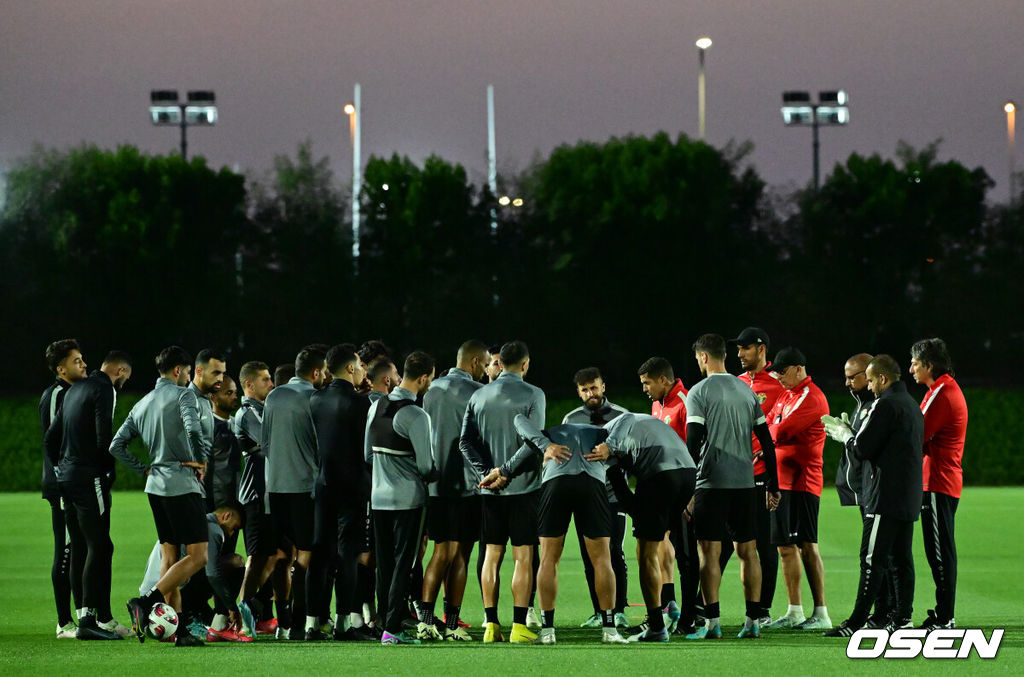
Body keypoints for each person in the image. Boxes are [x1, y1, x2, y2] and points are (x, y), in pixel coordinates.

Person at [479, 415, 630, 645]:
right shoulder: (602, 435)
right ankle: (609, 630)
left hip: (555, 485)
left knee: (549, 559)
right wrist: (610, 446)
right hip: (591, 485)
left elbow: (519, 422)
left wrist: (508, 469)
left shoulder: (550, 435)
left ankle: (548, 631)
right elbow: (628, 419)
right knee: (602, 559)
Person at [682, 334, 780, 640]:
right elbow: (766, 440)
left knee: (709, 554)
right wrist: (772, 485)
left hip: (711, 483)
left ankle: (712, 623)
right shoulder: (746, 390)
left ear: (703, 357)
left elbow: (693, 440)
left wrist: (687, 490)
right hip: (745, 484)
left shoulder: (698, 391)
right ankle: (752, 621)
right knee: (748, 552)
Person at [112, 346, 211, 647]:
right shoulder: (184, 395)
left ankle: (178, 631)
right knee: (197, 557)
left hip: (155, 486)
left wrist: (144, 469)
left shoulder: (142, 403)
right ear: (179, 370)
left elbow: (117, 446)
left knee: (170, 558)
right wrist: (201, 459)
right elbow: (193, 431)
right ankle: (145, 602)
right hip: (181, 484)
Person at [823, 355, 923, 637]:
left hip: (884, 497)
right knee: (901, 559)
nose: (868, 387)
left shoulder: (886, 404)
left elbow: (863, 449)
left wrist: (846, 436)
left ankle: (855, 623)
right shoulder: (911, 405)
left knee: (871, 559)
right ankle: (902, 618)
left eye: (869, 380)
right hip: (908, 495)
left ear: (882, 378)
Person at [460, 340, 546, 644]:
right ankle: (519, 626)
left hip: (488, 492)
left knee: (491, 556)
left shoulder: (479, 395)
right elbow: (534, 440)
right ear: (524, 364)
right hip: (523, 488)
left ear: (498, 363)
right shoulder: (534, 394)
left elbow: (465, 442)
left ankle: (490, 625)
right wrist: (506, 472)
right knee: (524, 557)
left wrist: (487, 473)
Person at [584, 412, 696, 643]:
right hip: (688, 472)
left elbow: (619, 489)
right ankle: (670, 603)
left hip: (660, 475)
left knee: (645, 553)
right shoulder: (631, 425)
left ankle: (656, 626)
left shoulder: (603, 440)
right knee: (662, 537)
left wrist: (639, 515)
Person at [46, 350, 134, 640]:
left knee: (81, 546)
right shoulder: (104, 389)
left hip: (67, 479)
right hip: (88, 476)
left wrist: (61, 468)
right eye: (125, 378)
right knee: (100, 545)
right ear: (120, 372)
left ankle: (93, 618)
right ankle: (88, 619)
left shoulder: (73, 390)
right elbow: (104, 437)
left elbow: (50, 438)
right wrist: (106, 473)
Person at [417, 340, 489, 642]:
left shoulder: (431, 389)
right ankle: (451, 622)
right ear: (473, 362)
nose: (486, 371)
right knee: (459, 554)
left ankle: (424, 620)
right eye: (485, 365)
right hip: (467, 484)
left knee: (439, 551)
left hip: (433, 483)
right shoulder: (477, 392)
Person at [365, 351, 437, 645]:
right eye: (430, 378)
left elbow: (367, 455)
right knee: (403, 565)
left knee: (384, 564)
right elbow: (426, 467)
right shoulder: (416, 414)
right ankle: (392, 630)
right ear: (423, 378)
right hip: (407, 499)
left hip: (377, 497)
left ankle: (385, 622)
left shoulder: (374, 406)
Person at [718, 327, 785, 625]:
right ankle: (704, 608)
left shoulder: (779, 384)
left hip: (761, 477)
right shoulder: (735, 384)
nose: (740, 354)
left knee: (764, 548)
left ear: (761, 348)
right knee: (719, 544)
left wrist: (773, 474)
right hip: (731, 477)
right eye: (737, 350)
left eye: (744, 348)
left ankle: (763, 611)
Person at [309, 344, 376, 642]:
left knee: (320, 555)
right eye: (360, 364)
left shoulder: (316, 399)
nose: (363, 369)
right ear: (350, 368)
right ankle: (343, 624)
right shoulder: (363, 404)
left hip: (323, 485)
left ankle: (313, 624)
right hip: (352, 488)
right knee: (348, 555)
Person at [763, 347, 832, 631]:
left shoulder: (810, 396)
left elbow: (777, 432)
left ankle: (821, 612)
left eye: (782, 371)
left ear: (798, 369)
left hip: (803, 483)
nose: (778, 377)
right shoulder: (786, 396)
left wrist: (771, 430)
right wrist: (770, 430)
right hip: (783, 482)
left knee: (807, 545)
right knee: (785, 547)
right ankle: (794, 611)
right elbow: (768, 426)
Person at [262, 344, 328, 640]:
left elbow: (265, 444)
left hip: (276, 486)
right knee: (305, 556)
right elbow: (320, 447)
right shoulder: (314, 398)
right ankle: (300, 622)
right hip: (304, 487)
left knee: (281, 555)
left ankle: (283, 620)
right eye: (324, 370)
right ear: (315, 372)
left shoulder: (274, 395)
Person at [561, 367, 631, 630]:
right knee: (589, 557)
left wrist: (612, 452)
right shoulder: (571, 419)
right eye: (585, 389)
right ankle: (598, 611)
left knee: (614, 553)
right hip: (585, 497)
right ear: (578, 392)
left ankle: (620, 609)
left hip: (615, 496)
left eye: (594, 387)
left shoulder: (623, 416)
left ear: (604, 386)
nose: (591, 393)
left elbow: (633, 451)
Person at [910, 338, 967, 630]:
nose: (911, 370)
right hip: (942, 479)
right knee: (940, 549)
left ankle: (945, 617)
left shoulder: (941, 392)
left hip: (937, 481)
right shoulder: (944, 389)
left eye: (915, 364)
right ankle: (944, 613)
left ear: (928, 366)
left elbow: (914, 435)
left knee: (939, 551)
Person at [232, 361, 289, 639]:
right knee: (257, 557)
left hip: (272, 494)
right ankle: (242, 614)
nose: (271, 384)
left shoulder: (264, 410)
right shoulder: (247, 413)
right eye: (265, 380)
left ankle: (272, 615)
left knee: (279, 556)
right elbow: (271, 443)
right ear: (249, 385)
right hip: (256, 495)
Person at [636, 356, 693, 633]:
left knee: (686, 553)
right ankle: (670, 604)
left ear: (663, 379)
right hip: (663, 486)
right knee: (661, 543)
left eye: (647, 383)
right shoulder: (657, 403)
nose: (645, 389)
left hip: (683, 486)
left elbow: (696, 446)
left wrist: (691, 491)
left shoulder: (685, 400)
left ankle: (692, 614)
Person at [836, 354, 893, 628]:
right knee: (883, 554)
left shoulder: (878, 406)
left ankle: (886, 612)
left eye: (854, 377)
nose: (848, 383)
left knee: (882, 555)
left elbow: (866, 448)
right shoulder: (862, 406)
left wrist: (849, 436)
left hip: (878, 491)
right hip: (868, 490)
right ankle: (887, 611)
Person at [138, 506, 248, 643]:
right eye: (235, 528)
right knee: (235, 562)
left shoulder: (193, 522)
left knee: (201, 567)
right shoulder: (213, 529)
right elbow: (212, 574)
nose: (231, 534)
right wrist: (232, 608)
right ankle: (218, 626)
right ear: (227, 516)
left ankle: (193, 618)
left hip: (152, 598)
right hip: (167, 598)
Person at [39, 339, 88, 639]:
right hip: (63, 487)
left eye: (82, 359)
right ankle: (63, 622)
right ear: (61, 369)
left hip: (76, 484)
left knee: (82, 548)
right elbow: (53, 442)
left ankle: (86, 616)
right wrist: (64, 479)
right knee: (67, 548)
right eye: (76, 360)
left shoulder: (75, 392)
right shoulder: (58, 394)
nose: (82, 364)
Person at [207, 376, 241, 512]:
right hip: (213, 501)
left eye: (235, 392)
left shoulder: (238, 423)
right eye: (228, 393)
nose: (234, 397)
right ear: (213, 398)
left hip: (235, 498)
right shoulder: (206, 425)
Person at [190, 349, 227, 454]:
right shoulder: (187, 401)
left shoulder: (208, 399)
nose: (221, 379)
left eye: (222, 373)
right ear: (199, 371)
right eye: (216, 373)